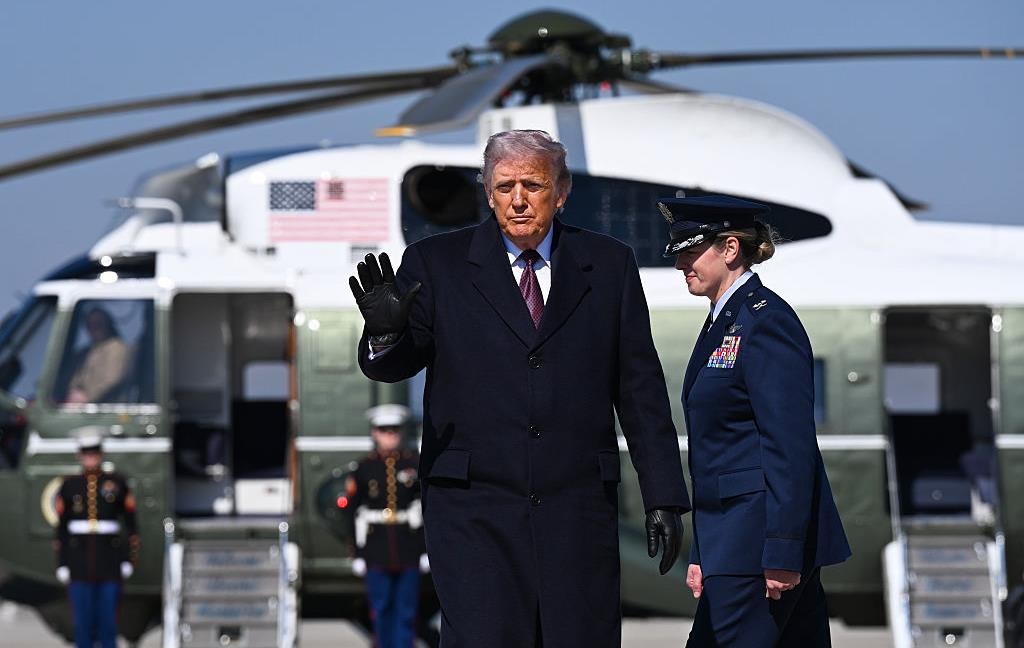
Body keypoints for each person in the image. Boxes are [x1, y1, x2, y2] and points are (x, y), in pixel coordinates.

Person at [348, 129, 690, 647]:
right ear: (488, 193)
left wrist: (663, 494)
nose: (518, 200)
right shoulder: (435, 264)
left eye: (533, 185)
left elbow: (639, 388)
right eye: (505, 186)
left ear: (562, 192)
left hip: (576, 510)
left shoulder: (609, 264)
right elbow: (394, 367)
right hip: (473, 513)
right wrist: (384, 333)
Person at [660, 194, 852, 647]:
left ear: (730, 248)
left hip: (758, 543)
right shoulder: (725, 321)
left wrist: (783, 548)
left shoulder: (765, 322)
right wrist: (703, 551)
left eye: (691, 251)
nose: (681, 263)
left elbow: (789, 445)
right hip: (734, 540)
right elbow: (720, 453)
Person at [345, 404, 428, 648]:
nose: (389, 434)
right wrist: (357, 553)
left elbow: (426, 507)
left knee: (407, 610)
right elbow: (351, 511)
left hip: (408, 546)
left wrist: (426, 549)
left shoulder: (414, 464)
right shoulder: (364, 468)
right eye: (384, 429)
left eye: (394, 429)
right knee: (380, 609)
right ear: (374, 433)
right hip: (376, 547)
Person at [54, 427, 139, 648]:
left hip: (109, 559)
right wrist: (62, 562)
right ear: (79, 455)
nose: (90, 457)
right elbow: (61, 529)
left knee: (108, 623)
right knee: (83, 623)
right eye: (86, 453)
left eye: (94, 453)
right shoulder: (69, 485)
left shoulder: (117, 483)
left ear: (101, 454)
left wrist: (128, 559)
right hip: (79, 561)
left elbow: (130, 526)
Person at [65, 308, 130, 403]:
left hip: (103, 406)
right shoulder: (84, 352)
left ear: (108, 325)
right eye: (91, 325)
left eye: (99, 324)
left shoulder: (116, 347)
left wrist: (87, 397)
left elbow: (112, 380)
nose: (95, 328)